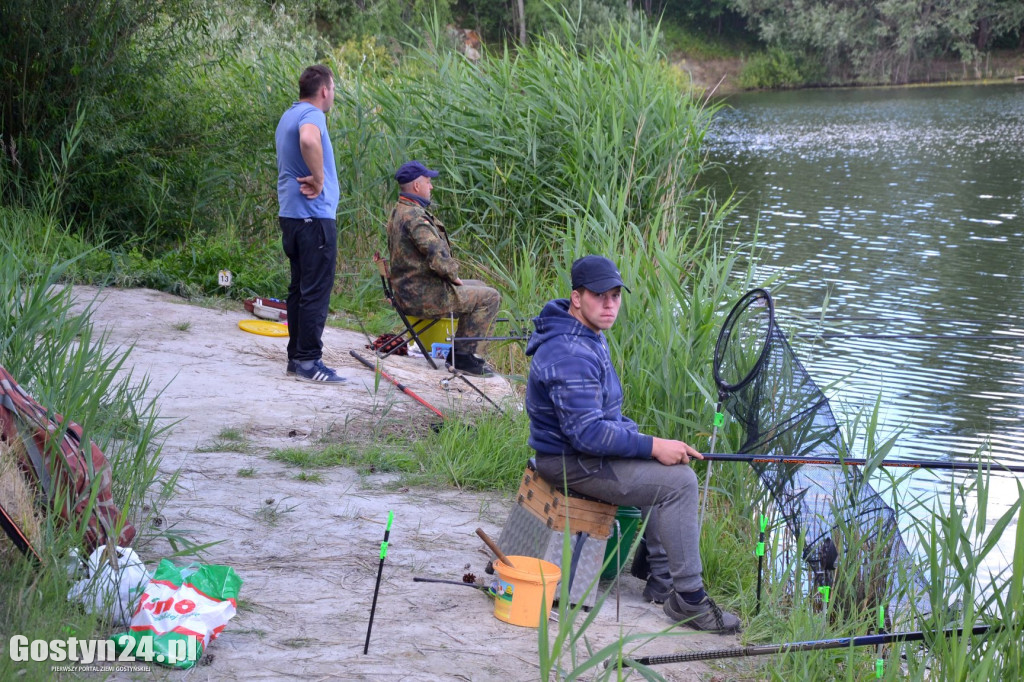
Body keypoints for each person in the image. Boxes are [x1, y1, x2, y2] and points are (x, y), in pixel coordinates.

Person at [524, 255, 741, 634]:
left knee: (669, 469)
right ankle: (689, 600)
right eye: (599, 296)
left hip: (579, 455)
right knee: (682, 484)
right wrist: (652, 444)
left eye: (615, 296)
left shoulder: (586, 334)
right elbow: (587, 434)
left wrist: (646, 443)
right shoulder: (570, 352)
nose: (610, 305)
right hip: (570, 462)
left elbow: (602, 418)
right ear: (576, 298)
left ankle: (662, 582)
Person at [385, 160, 500, 377]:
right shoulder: (415, 217)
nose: (432, 187)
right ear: (417, 186)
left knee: (480, 286)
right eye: (428, 182)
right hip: (424, 296)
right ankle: (465, 357)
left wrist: (453, 279)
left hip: (410, 290)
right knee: (490, 297)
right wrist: (452, 275)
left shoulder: (399, 211)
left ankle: (459, 353)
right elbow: (436, 253)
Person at [275, 65, 345, 384]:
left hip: (291, 216)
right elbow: (308, 140)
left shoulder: (288, 115)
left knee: (299, 289)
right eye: (333, 88)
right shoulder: (313, 115)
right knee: (315, 290)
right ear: (324, 91)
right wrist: (319, 180)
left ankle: (296, 357)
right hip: (313, 216)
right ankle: (309, 361)